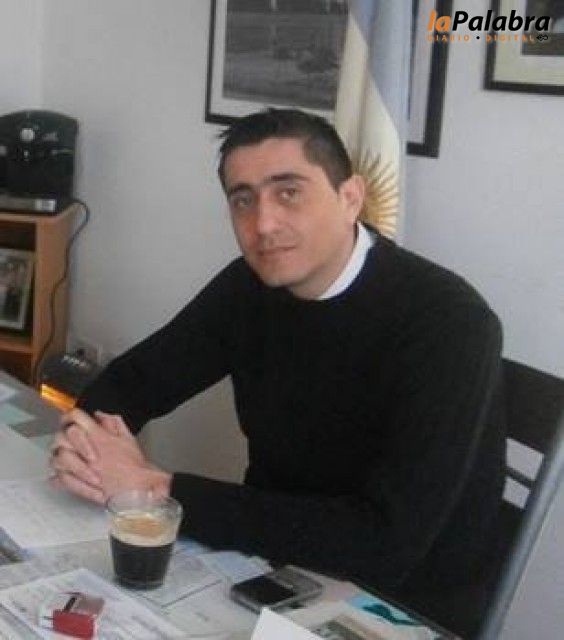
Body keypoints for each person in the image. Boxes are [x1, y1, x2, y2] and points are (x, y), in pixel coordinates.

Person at [50, 108, 505, 599]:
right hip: (270, 557)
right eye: (243, 200)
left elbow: (385, 541)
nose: (263, 223)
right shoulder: (250, 286)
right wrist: (89, 450)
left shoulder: (450, 323)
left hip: (399, 598)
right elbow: (136, 381)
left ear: (351, 197)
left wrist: (155, 490)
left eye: (289, 192)